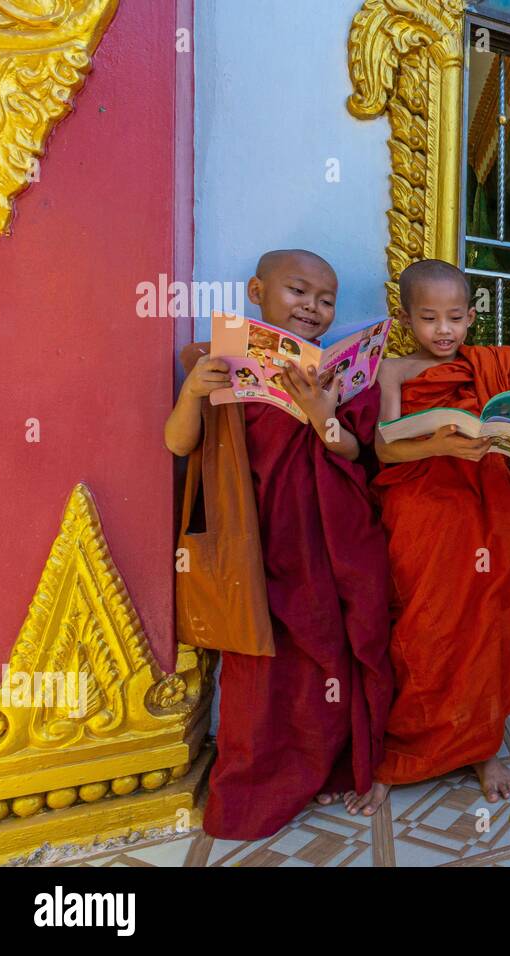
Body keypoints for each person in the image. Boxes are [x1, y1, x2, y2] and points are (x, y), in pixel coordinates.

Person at [164, 248, 393, 838]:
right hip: (251, 538)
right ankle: (257, 783)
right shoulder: (216, 361)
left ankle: (329, 762)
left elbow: (352, 453)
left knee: (325, 652)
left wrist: (323, 413)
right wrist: (192, 393)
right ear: (256, 290)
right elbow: (179, 445)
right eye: (299, 292)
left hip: (321, 540)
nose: (313, 308)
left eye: (326, 300)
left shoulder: (337, 373)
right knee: (257, 663)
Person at [348, 258, 510, 814]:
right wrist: (443, 444)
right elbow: (383, 447)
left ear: (471, 316)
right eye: (429, 318)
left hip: (483, 512)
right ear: (406, 318)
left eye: (454, 317)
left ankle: (482, 749)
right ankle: (399, 754)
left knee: (484, 625)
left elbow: (509, 434)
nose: (443, 330)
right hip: (421, 514)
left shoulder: (492, 368)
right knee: (420, 627)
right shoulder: (393, 372)